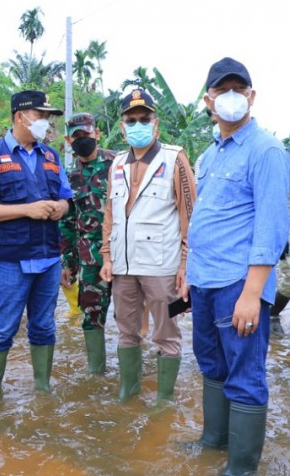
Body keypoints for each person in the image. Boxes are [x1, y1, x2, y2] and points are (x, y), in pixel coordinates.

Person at [185, 57, 290, 475]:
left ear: (251, 96)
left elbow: (271, 228)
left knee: (245, 373)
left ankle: (242, 468)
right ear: (209, 100)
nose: (231, 97)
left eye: (238, 89)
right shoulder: (209, 154)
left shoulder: (265, 149)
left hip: (237, 283)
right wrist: (188, 277)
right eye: (222, 90)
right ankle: (213, 442)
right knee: (211, 364)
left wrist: (252, 293)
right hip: (205, 281)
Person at [0, 90, 72, 395]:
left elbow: (67, 199)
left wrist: (60, 208)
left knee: (44, 327)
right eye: (41, 117)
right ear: (20, 117)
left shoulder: (51, 157)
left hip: (49, 259)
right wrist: (27, 209)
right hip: (10, 261)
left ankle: (42, 389)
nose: (46, 124)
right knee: (2, 330)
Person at [99, 89, 196, 402]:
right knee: (126, 333)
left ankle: (164, 402)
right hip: (123, 266)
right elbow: (110, 215)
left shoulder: (174, 158)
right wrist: (106, 257)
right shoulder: (116, 164)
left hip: (162, 267)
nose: (137, 124)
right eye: (131, 119)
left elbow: (190, 216)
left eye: (144, 119)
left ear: (156, 124)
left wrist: (186, 266)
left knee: (166, 335)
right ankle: (128, 395)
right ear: (123, 125)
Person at [59, 112, 115, 373]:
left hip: (125, 253)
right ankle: (97, 375)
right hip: (89, 258)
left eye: (87, 134)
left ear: (98, 134)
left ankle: (133, 377)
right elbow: (67, 222)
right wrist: (68, 263)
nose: (82, 140)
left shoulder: (118, 164)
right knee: (92, 316)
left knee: (129, 316)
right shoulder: (69, 177)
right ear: (68, 140)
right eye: (76, 136)